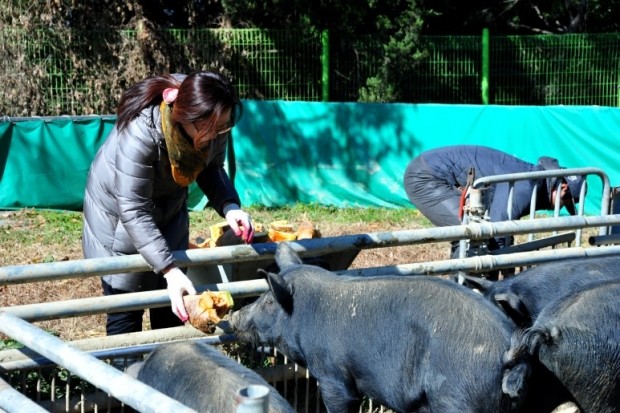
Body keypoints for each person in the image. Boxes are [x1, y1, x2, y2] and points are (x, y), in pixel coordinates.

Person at [82, 71, 255, 336]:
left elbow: (212, 169)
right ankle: (121, 371)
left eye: (223, 126)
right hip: (118, 216)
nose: (217, 134)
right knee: (127, 303)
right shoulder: (141, 132)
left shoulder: (213, 119)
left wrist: (230, 206)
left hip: (168, 208)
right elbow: (133, 209)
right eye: (212, 129)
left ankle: (166, 370)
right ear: (186, 116)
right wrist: (169, 269)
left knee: (173, 302)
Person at [403, 145, 585, 258]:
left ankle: (471, 290)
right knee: (472, 234)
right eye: (565, 202)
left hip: (436, 170)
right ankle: (461, 296)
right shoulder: (527, 186)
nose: (560, 207)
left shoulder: (534, 182)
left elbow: (504, 226)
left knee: (480, 236)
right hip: (426, 176)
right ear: (563, 189)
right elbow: (499, 227)